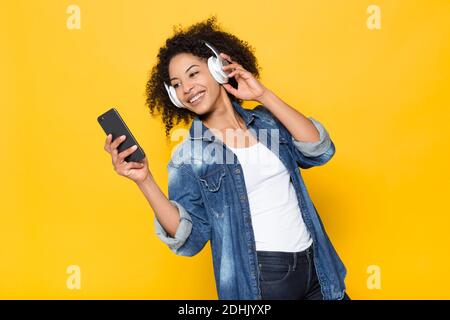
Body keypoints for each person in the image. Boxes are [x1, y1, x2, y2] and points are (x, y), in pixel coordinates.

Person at [103, 16, 350, 300]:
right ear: (173, 95)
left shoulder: (267, 124)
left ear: (217, 68)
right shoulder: (189, 156)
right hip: (263, 279)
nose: (187, 88)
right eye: (177, 84)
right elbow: (190, 237)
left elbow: (319, 149)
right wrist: (144, 180)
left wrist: (263, 95)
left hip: (318, 267)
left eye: (193, 74)